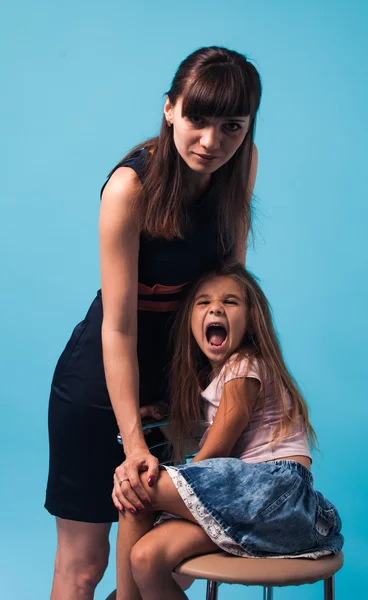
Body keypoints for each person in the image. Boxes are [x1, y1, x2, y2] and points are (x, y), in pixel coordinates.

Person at [45, 46, 262, 599]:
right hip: (101, 381)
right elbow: (117, 328)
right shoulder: (130, 188)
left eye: (231, 126)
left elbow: (228, 287)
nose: (212, 142)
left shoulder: (242, 165)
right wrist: (135, 442)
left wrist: (219, 391)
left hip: (176, 380)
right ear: (169, 109)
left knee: (156, 563)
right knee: (85, 563)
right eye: (197, 119)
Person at [113, 260, 344, 600]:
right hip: (254, 513)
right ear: (190, 320)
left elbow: (215, 454)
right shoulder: (217, 381)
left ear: (251, 321)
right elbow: (208, 452)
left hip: (273, 491)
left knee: (140, 487)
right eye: (203, 302)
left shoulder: (245, 365)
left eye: (230, 302)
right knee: (148, 558)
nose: (216, 308)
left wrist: (167, 494)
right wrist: (161, 427)